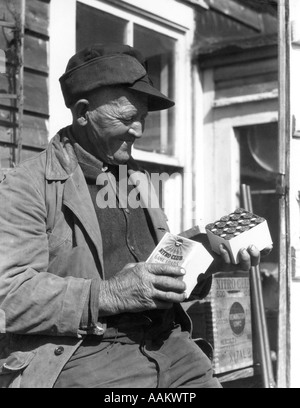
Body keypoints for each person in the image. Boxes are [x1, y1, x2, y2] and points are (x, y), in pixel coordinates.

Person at [0, 43, 270, 388]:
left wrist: (206, 255)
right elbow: (8, 296)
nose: (139, 131)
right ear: (83, 112)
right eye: (127, 118)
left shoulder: (136, 177)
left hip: (171, 346)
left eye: (143, 118)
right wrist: (110, 294)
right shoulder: (26, 186)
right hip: (86, 356)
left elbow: (156, 275)